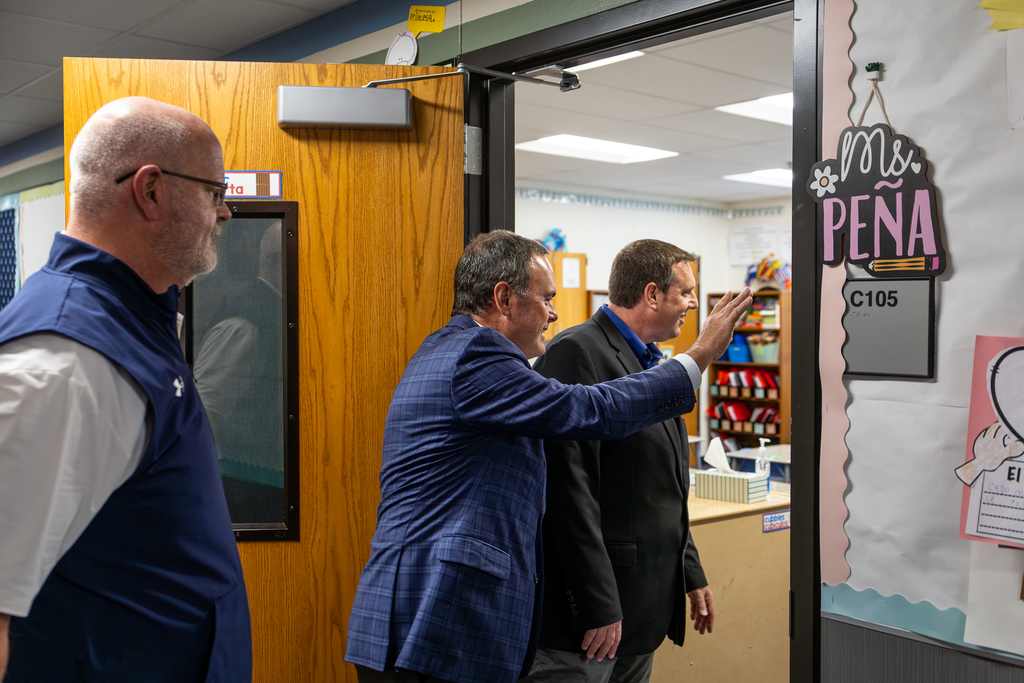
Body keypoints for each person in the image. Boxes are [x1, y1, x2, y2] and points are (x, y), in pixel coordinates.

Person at [344, 230, 751, 683]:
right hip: (440, 615)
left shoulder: (441, 349)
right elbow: (589, 411)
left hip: (412, 612)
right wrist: (700, 355)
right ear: (503, 298)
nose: (555, 313)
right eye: (546, 298)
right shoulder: (479, 355)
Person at [0, 97, 251, 682]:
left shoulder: (134, 321)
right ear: (152, 190)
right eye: (215, 192)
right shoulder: (63, 361)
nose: (225, 213)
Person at [526, 240, 712, 683]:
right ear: (651, 294)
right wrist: (598, 602)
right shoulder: (576, 352)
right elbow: (568, 494)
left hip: (641, 610)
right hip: (594, 620)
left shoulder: (651, 361)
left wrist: (690, 571)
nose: (692, 303)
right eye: (685, 292)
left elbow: (662, 485)